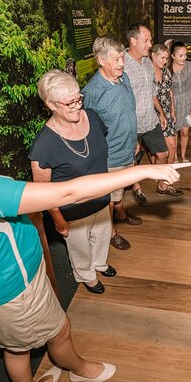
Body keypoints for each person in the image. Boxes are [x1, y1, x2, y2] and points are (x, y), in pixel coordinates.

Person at [0, 80, 186, 382]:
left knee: (16, 347)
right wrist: (141, 171)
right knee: (59, 331)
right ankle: (80, 370)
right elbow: (66, 194)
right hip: (12, 291)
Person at [29, 71, 115, 295]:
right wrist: (58, 219)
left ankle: (100, 264)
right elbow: (43, 191)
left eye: (79, 98)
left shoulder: (92, 116)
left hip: (102, 198)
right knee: (80, 247)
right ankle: (86, 275)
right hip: (73, 210)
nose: (78, 106)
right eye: (70, 102)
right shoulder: (44, 145)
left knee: (102, 235)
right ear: (51, 104)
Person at [82, 37, 139, 250]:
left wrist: (135, 140)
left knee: (121, 190)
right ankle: (111, 233)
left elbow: (128, 112)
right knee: (108, 197)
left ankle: (122, 214)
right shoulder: (93, 91)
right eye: (116, 59)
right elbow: (88, 128)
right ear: (101, 61)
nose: (122, 63)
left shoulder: (124, 79)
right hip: (110, 155)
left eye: (122, 57)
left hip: (128, 148)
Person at [123, 24, 183, 199]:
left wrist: (162, 114)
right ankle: (137, 187)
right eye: (146, 40)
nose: (150, 44)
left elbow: (152, 92)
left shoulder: (148, 63)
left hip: (150, 120)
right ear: (133, 41)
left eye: (150, 40)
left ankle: (162, 186)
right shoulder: (123, 65)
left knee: (163, 153)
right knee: (133, 157)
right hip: (132, 123)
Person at [169, 41, 191, 163]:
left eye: (185, 55)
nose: (184, 58)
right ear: (172, 56)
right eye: (180, 55)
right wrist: (171, 110)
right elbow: (168, 90)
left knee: (185, 131)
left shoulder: (190, 66)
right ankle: (174, 156)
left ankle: (183, 156)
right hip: (173, 103)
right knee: (174, 131)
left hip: (187, 101)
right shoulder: (167, 69)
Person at [150, 44, 178, 165]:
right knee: (157, 151)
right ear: (153, 56)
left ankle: (168, 176)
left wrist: (173, 111)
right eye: (162, 58)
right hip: (153, 114)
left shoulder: (166, 71)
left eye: (166, 59)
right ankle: (158, 174)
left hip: (167, 113)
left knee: (172, 145)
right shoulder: (147, 73)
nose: (165, 61)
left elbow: (170, 92)